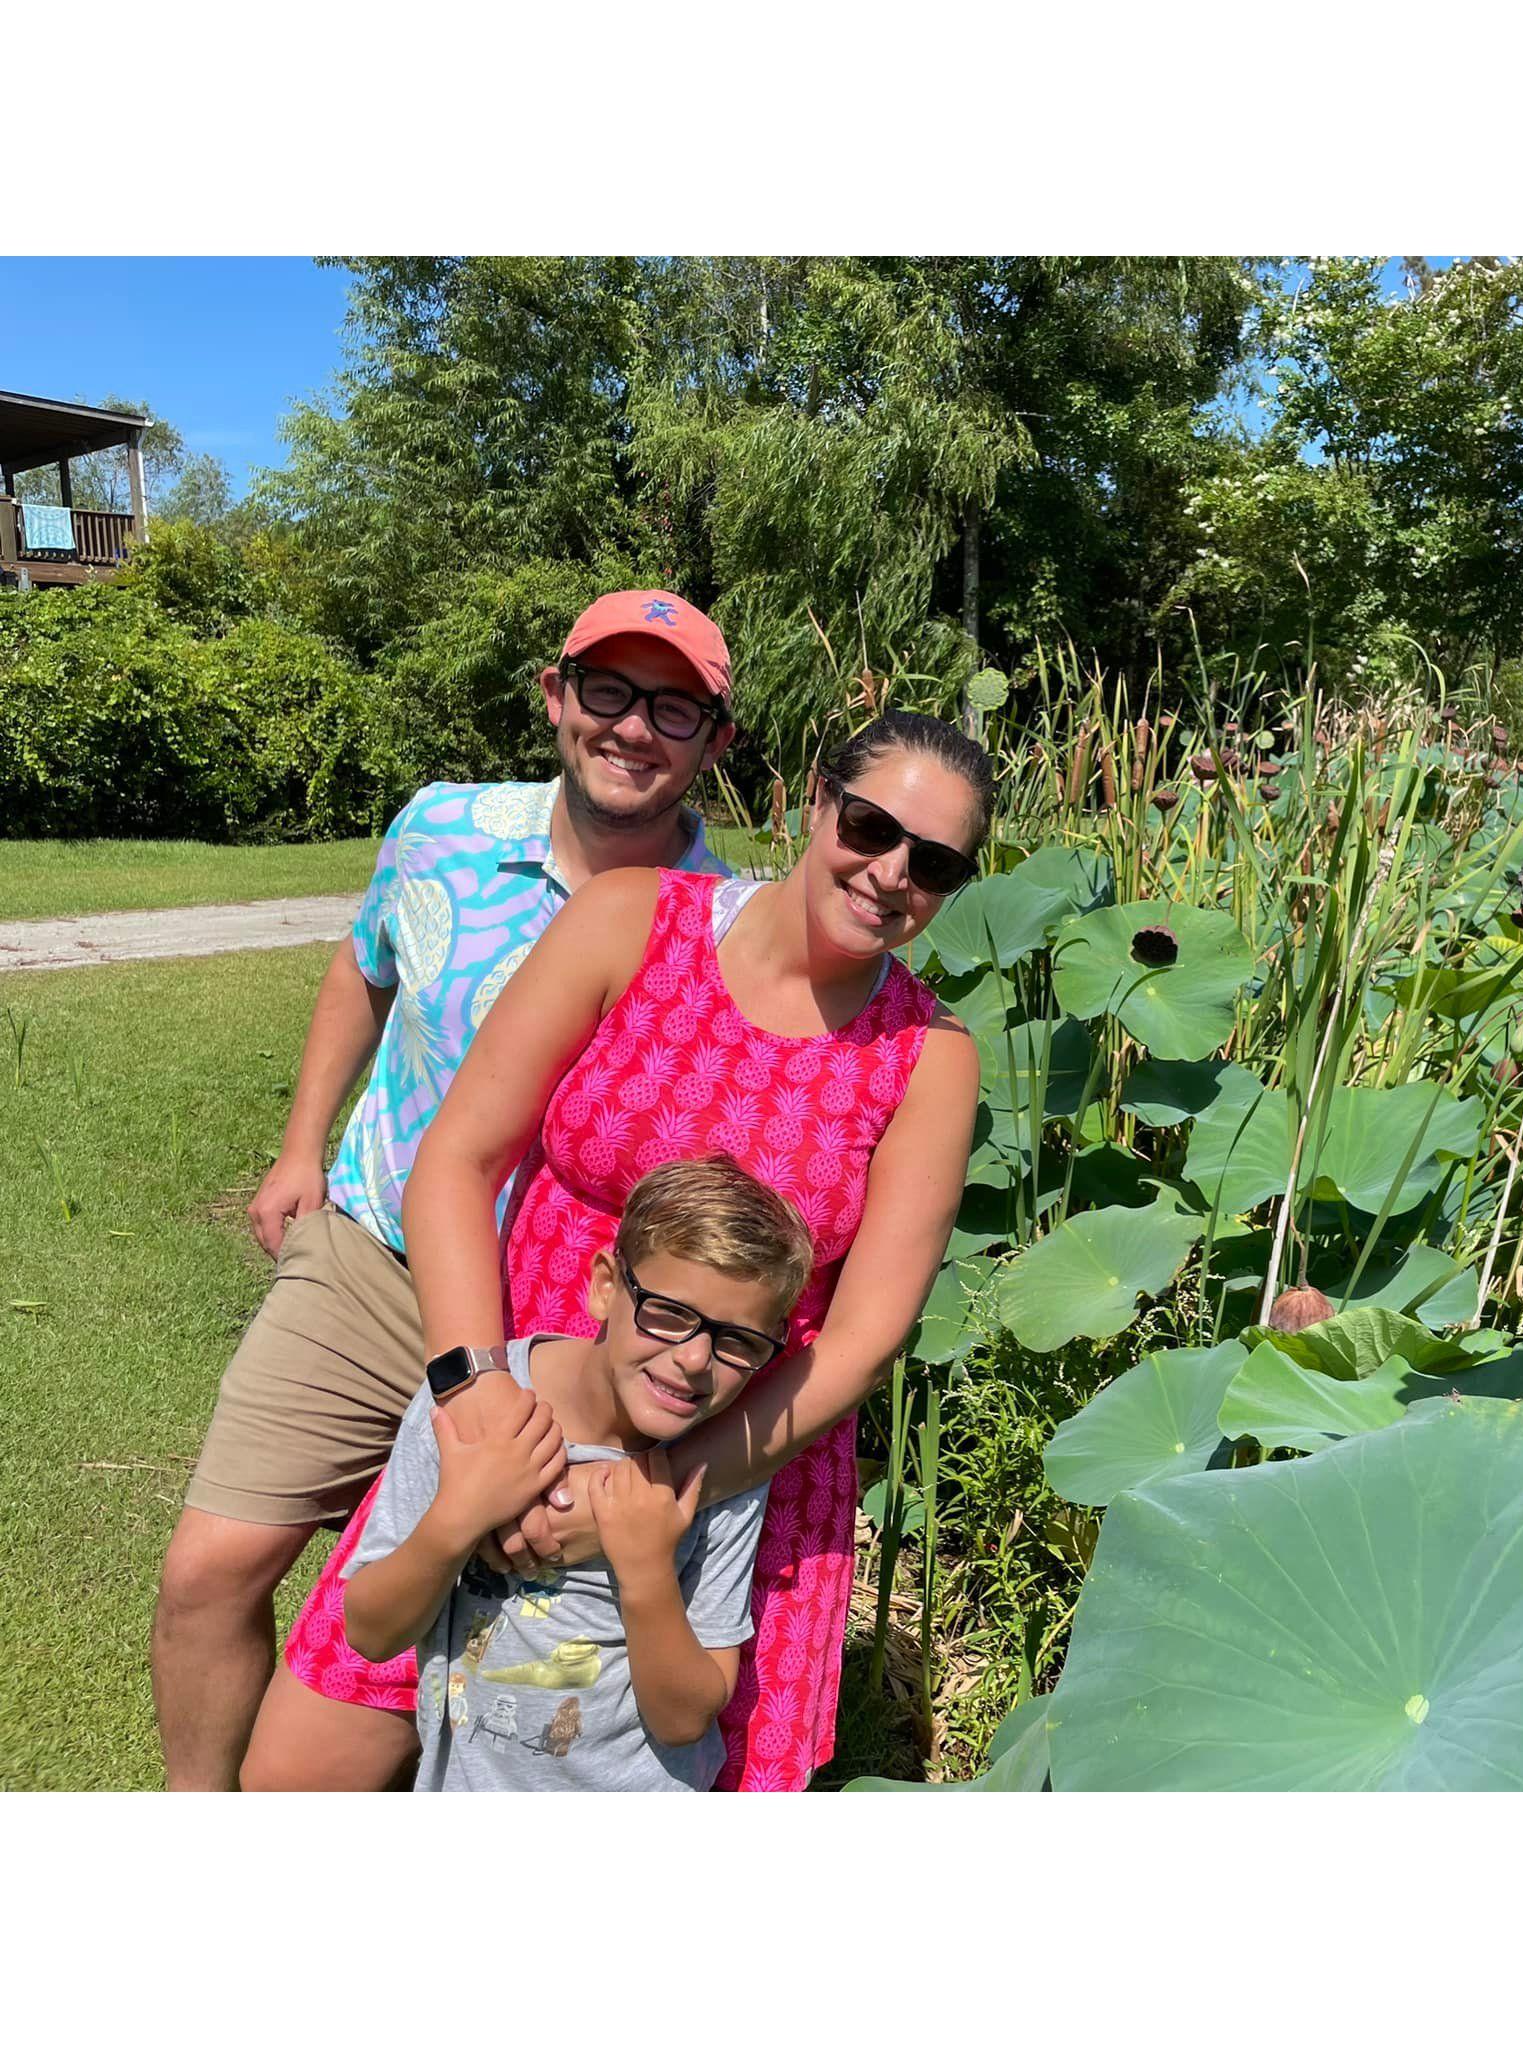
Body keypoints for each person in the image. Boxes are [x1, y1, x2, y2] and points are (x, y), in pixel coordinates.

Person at [252, 708, 987, 1791]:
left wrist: (653, 1490)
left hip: (733, 1457)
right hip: (518, 1396)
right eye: (870, 827)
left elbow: (863, 1337)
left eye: (932, 862)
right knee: (299, 1777)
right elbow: (457, 1159)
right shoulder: (631, 918)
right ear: (815, 800)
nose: (888, 873)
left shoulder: (927, 1054)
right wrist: (476, 1398)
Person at [151, 589, 737, 1792]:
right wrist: (300, 1140)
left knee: (499, 1601)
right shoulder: (440, 830)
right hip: (376, 1257)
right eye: (609, 691)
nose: (634, 728)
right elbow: (364, 970)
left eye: (674, 706)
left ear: (716, 740)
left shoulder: (720, 922)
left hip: (557, 1317)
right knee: (209, 1568)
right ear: (555, 695)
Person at [341, 1157, 813, 1792]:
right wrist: (461, 1513)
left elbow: (684, 1718)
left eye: (738, 1343)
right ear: (605, 1286)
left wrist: (646, 1568)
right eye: (670, 1313)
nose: (695, 1359)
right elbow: (370, 1632)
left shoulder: (724, 1469)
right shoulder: (472, 1414)